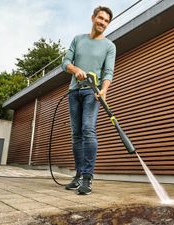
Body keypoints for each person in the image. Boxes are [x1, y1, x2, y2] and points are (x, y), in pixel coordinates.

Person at [61, 6, 116, 195]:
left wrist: (104, 90)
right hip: (74, 92)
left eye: (106, 21)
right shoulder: (78, 39)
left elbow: (108, 72)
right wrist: (76, 70)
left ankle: (87, 178)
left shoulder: (109, 46)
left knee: (88, 130)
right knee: (76, 134)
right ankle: (78, 176)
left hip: (92, 93)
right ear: (93, 18)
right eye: (100, 18)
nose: (102, 23)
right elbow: (65, 62)